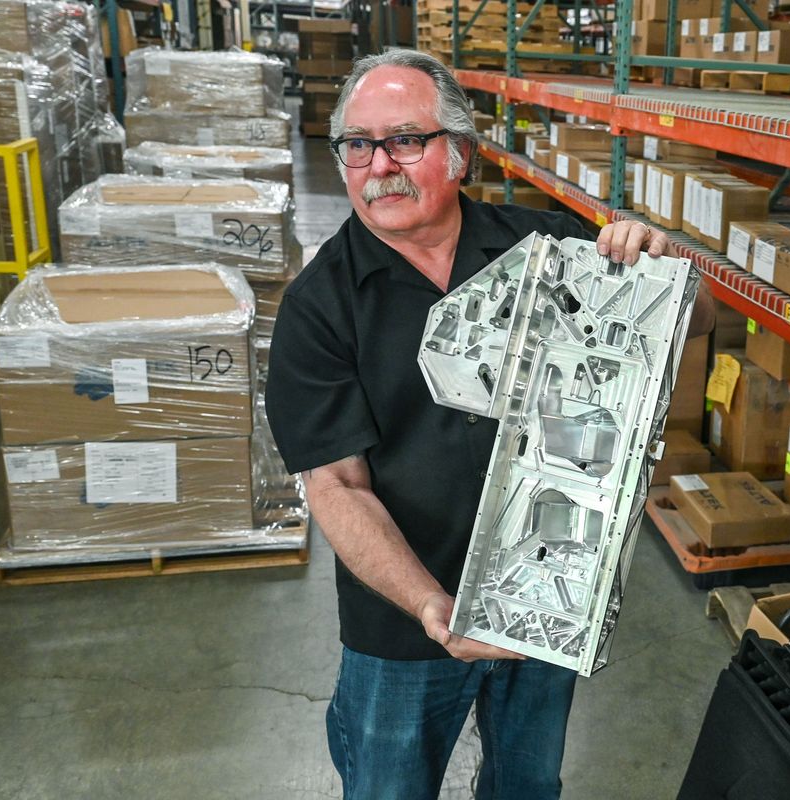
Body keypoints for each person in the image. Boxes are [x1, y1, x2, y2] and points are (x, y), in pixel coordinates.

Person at [265, 48, 715, 800]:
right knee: (388, 788)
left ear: (461, 155)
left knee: (528, 784)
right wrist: (431, 608)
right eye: (357, 146)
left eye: (406, 139)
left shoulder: (545, 248)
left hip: (544, 599)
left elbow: (697, 322)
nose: (380, 166)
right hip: (405, 628)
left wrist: (665, 270)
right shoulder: (319, 308)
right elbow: (338, 486)